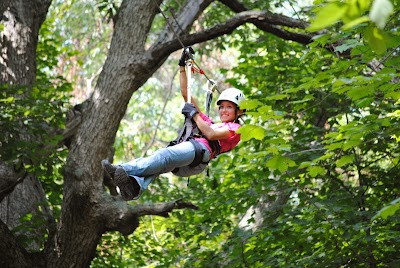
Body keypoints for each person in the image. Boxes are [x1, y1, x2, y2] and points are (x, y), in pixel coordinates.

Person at [102, 48, 246, 200]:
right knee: (159, 165)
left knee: (164, 155)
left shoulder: (236, 128)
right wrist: (182, 67)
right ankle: (134, 187)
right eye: (221, 106)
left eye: (229, 107)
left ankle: (122, 169)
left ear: (239, 111)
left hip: (198, 153)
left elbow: (210, 134)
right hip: (190, 158)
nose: (223, 110)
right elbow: (186, 94)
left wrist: (195, 115)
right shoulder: (211, 122)